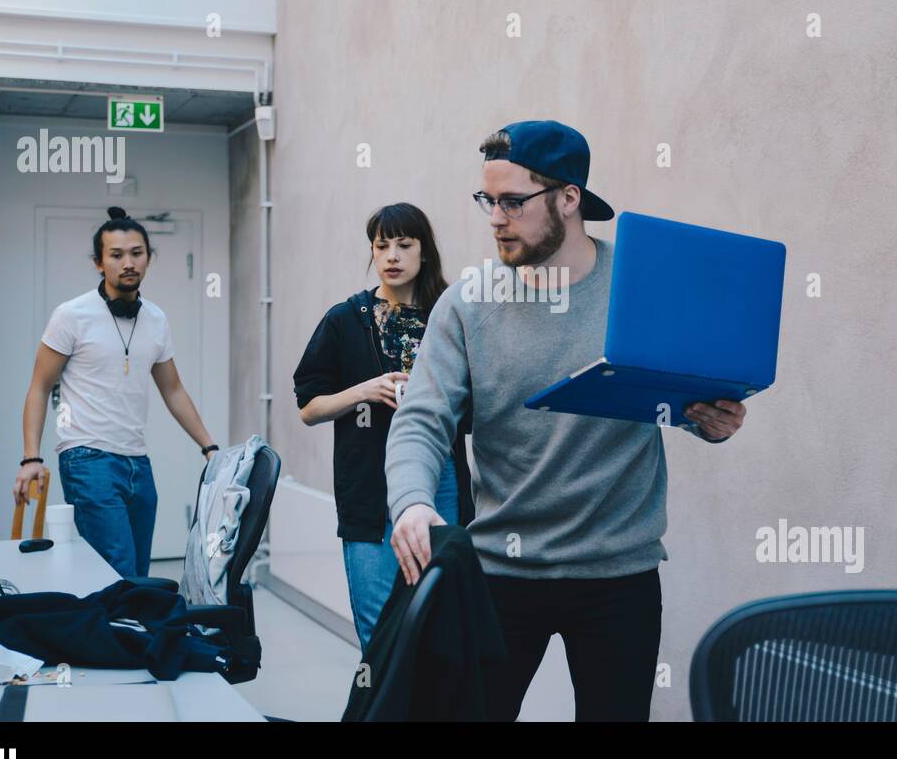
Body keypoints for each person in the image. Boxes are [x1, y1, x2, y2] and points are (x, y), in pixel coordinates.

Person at [384, 120, 748, 721]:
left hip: (619, 574)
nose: (495, 218)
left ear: (569, 198)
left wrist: (710, 420)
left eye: (512, 202)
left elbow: (677, 396)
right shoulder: (467, 302)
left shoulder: (641, 285)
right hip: (502, 570)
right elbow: (422, 418)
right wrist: (413, 503)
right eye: (487, 201)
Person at [293, 202, 473, 654]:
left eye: (404, 245)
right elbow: (309, 408)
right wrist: (364, 391)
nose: (391, 255)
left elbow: (476, 408)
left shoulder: (449, 315)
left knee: (442, 621)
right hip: (368, 488)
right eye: (381, 245)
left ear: (424, 252)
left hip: (441, 478)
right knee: (378, 635)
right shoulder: (345, 319)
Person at [12, 207, 218, 579]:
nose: (128, 263)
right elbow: (39, 387)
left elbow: (173, 390)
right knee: (116, 570)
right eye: (116, 254)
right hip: (87, 459)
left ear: (148, 258)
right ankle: (114, 635)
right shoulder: (71, 315)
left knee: (137, 573)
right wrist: (31, 457)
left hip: (138, 462)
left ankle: (129, 636)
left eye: (137, 253)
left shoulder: (155, 319)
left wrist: (210, 447)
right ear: (98, 262)